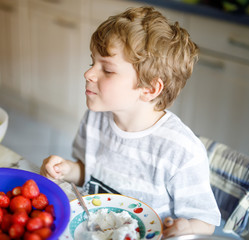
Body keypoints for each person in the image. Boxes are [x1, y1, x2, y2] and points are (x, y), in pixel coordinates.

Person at [40, 6, 221, 238]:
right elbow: (90, 173)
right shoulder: (96, 117)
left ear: (149, 89)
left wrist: (185, 227)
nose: (88, 74)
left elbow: (206, 221)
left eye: (106, 69)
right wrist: (67, 170)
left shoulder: (181, 151)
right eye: (92, 62)